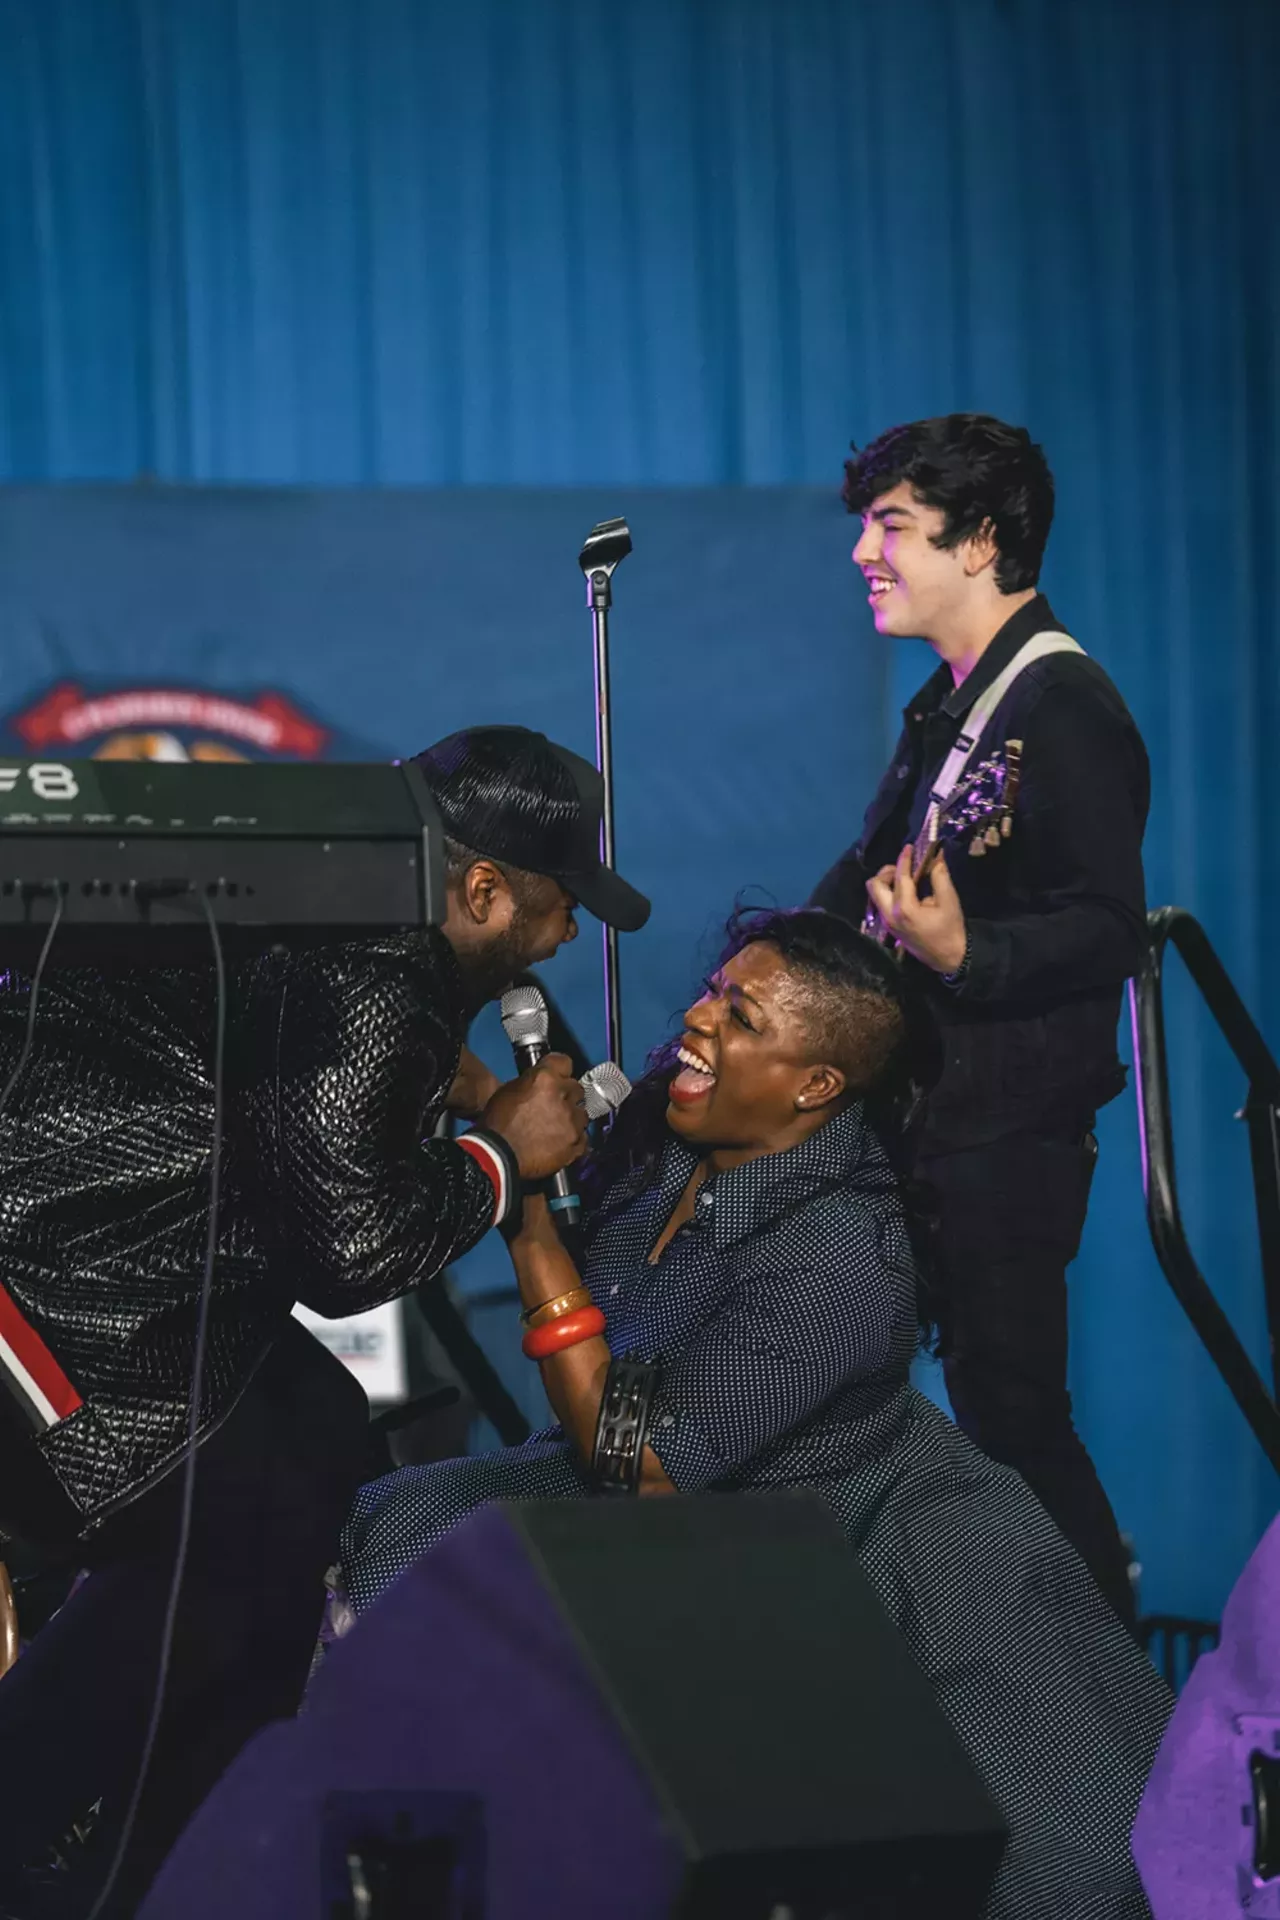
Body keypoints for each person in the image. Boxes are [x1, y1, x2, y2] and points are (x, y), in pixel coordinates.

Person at [340, 907, 1170, 1920]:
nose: (697, 1019)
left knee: (1052, 1882)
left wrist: (519, 1215)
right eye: (711, 991)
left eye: (739, 1017)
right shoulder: (683, 1148)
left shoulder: (840, 1257)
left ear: (815, 1087)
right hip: (679, 1511)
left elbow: (636, 1461)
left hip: (856, 1545)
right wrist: (472, 1088)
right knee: (400, 1525)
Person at [0, 724, 649, 1917]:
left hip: (108, 1257)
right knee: (216, 1542)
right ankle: (70, 1838)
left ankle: (165, 1858)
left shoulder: (349, 891)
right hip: (57, 1279)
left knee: (308, 1444)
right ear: (484, 887)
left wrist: (440, 1093)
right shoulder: (385, 965)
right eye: (559, 909)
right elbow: (348, 1249)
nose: (564, 940)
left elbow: (272, 1070)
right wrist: (504, 1156)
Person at [810, 413, 1149, 1624]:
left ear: (981, 541)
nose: (863, 551)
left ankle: (1111, 1719)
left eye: (890, 525)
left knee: (1010, 1414)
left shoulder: (1061, 703)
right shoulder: (948, 705)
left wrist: (969, 950)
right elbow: (854, 883)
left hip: (1005, 1131)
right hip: (928, 1119)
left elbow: (1111, 924)